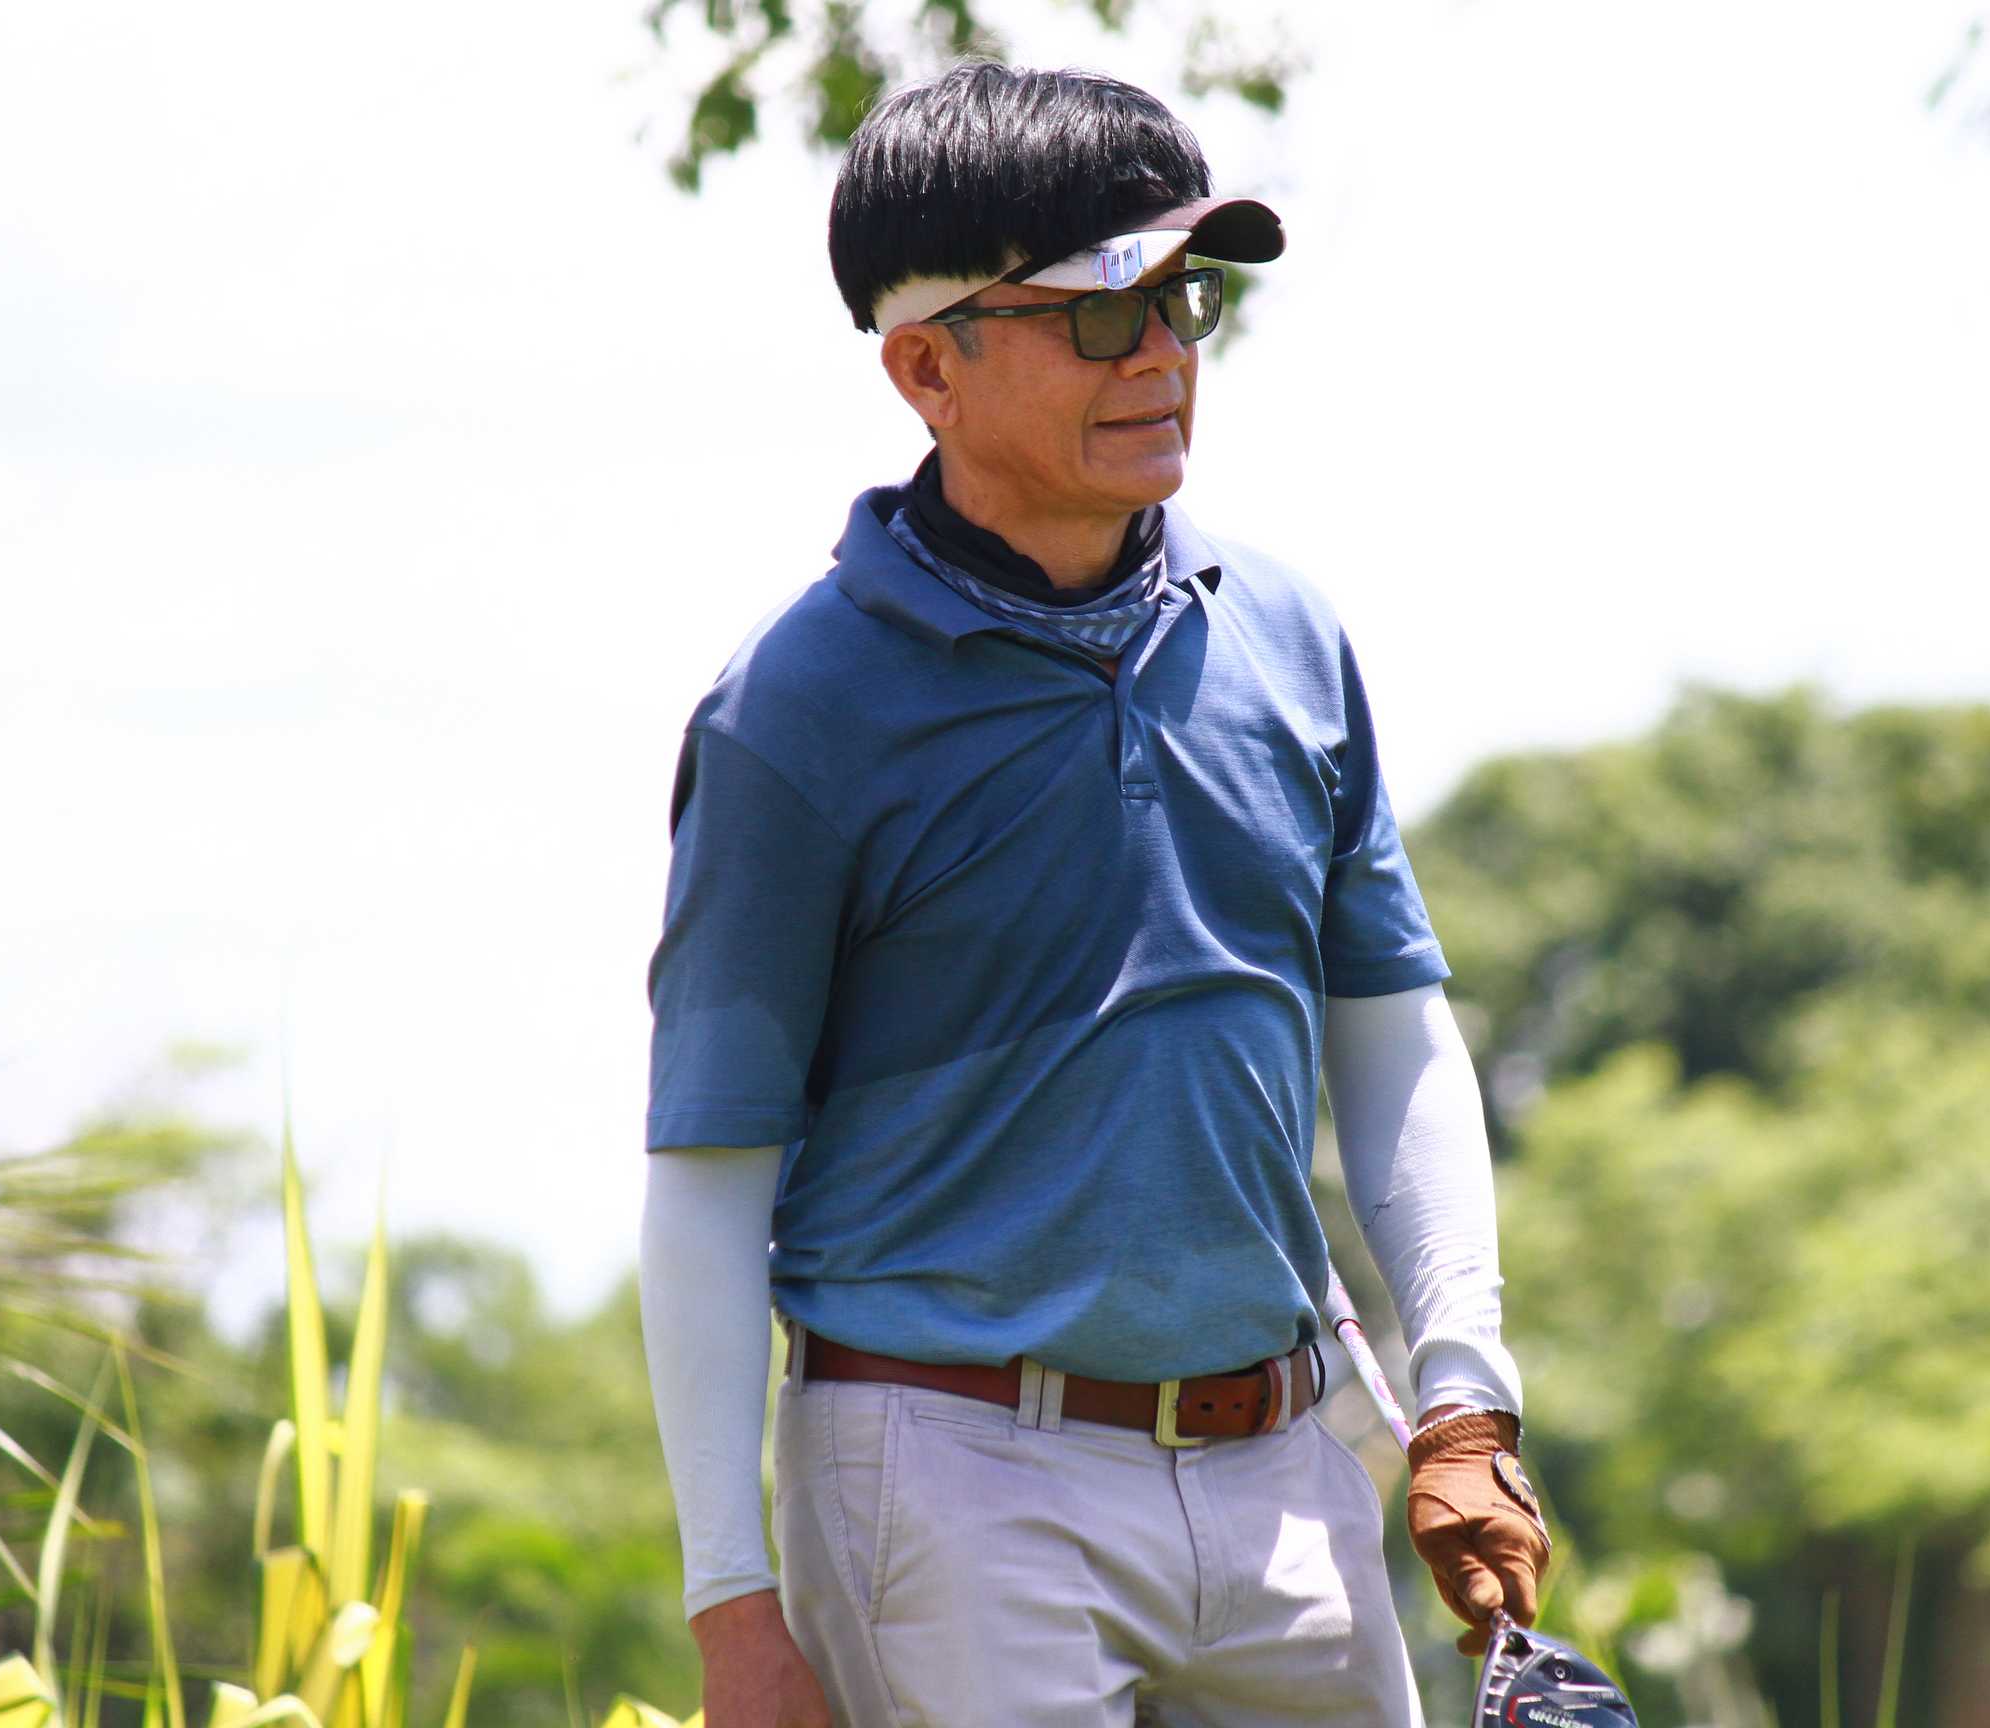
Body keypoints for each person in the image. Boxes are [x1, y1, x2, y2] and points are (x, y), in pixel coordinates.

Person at [638, 60, 1550, 1728]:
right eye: (1100, 312)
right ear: (927, 366)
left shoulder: (1287, 636)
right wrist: (730, 1607)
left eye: (1185, 300)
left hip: (1286, 1470)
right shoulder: (796, 710)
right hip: (952, 1477)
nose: (1162, 357)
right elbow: (710, 1170)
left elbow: (1395, 1030)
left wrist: (1465, 1392)